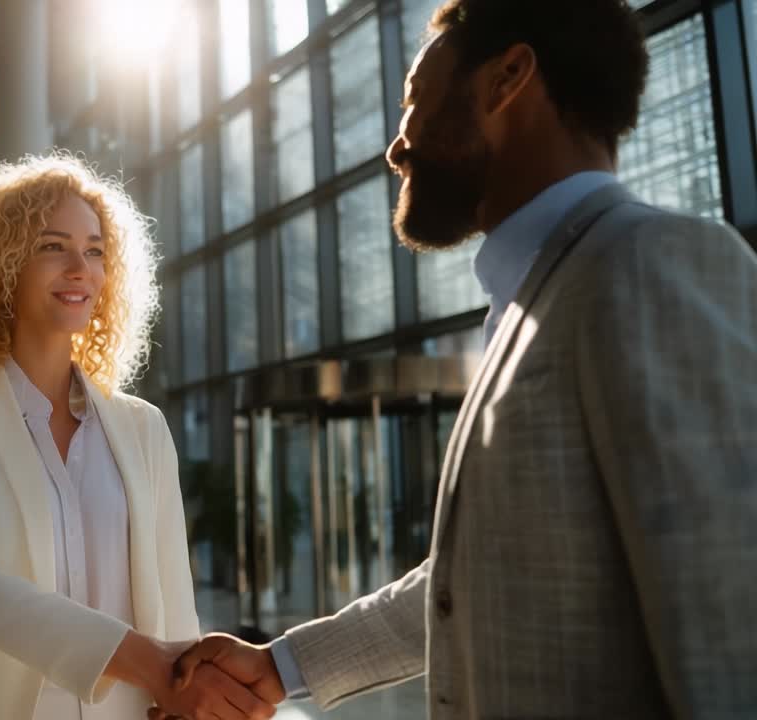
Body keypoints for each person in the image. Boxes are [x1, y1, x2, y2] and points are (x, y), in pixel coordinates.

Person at [159, 0, 757, 718]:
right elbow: (475, 578)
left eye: (415, 99)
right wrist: (279, 666)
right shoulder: (531, 303)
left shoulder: (647, 263)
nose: (396, 146)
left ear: (508, 77)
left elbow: (732, 631)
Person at [0, 155, 278, 720]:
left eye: (96, 251)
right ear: (1, 264)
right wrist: (147, 660)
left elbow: (174, 602)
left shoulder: (143, 427)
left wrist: (184, 693)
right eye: (53, 246)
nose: (81, 268)